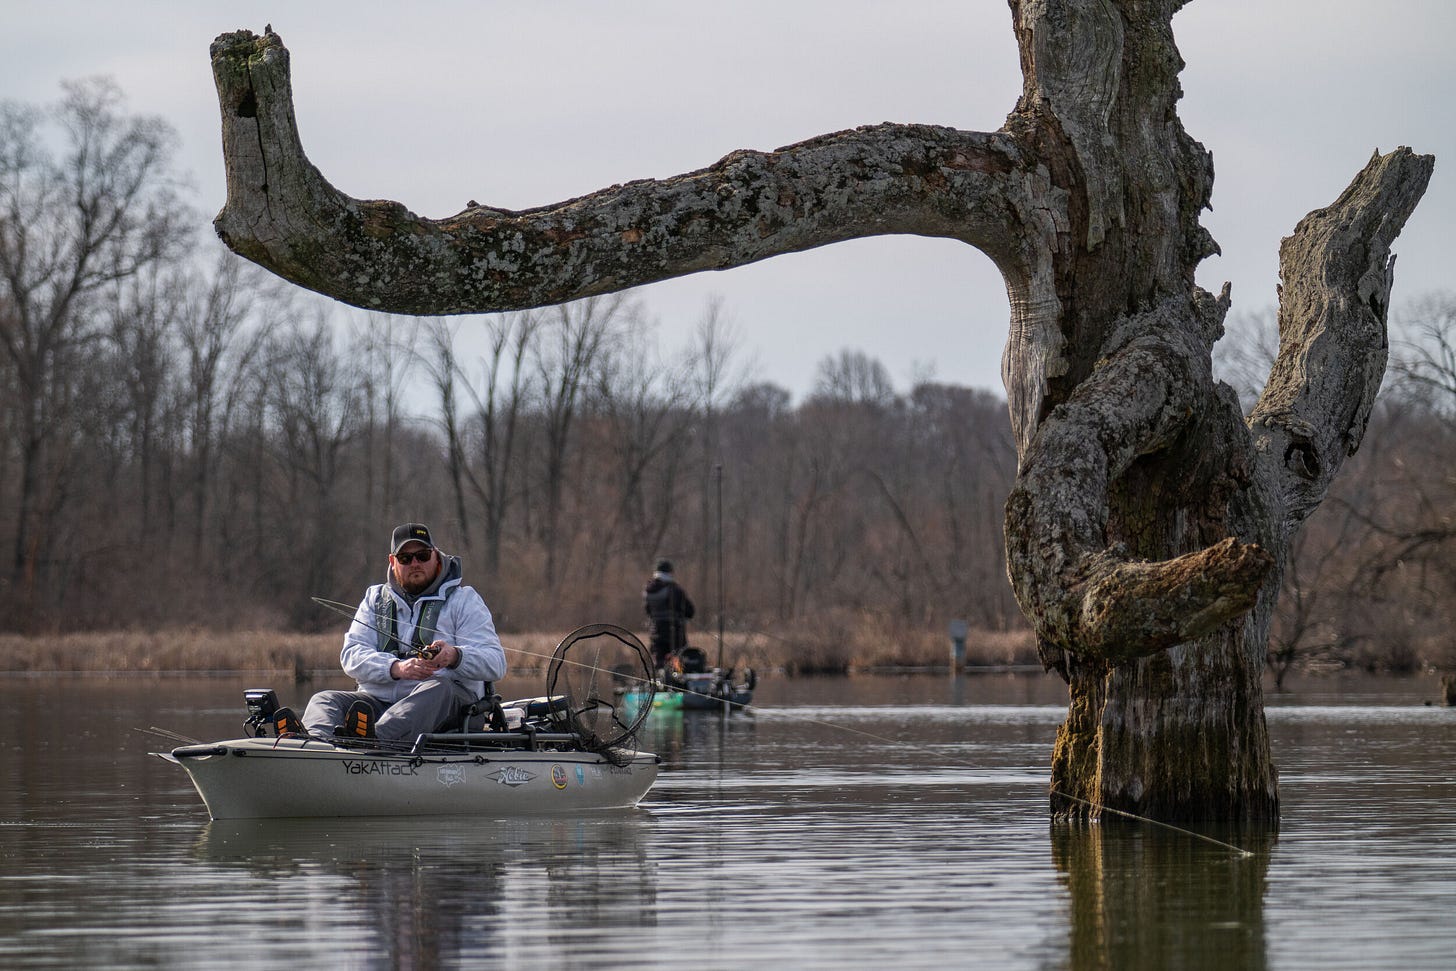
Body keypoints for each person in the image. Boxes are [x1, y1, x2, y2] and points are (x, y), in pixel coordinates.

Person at [274, 523, 507, 743]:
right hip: (379, 703)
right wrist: (395, 668)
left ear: (436, 555)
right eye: (405, 558)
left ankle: (374, 741)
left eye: (423, 555)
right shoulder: (375, 599)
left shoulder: (464, 600)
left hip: (446, 708)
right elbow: (351, 656)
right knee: (323, 700)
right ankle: (314, 747)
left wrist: (454, 655)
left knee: (439, 688)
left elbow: (496, 663)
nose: (415, 563)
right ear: (392, 561)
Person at [642, 559, 695, 671]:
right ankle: (678, 683)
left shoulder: (648, 591)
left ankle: (659, 685)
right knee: (679, 664)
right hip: (675, 634)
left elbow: (648, 611)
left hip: (656, 633)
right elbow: (690, 611)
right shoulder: (675, 589)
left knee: (659, 664)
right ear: (670, 572)